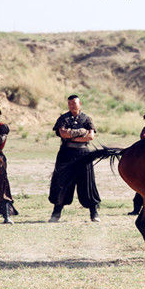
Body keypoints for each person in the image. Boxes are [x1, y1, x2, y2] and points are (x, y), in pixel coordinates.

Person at [49, 94, 101, 222]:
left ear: (80, 104)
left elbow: (90, 137)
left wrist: (73, 136)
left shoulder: (87, 119)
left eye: (75, 103)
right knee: (62, 183)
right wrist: (82, 131)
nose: (72, 105)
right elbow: (63, 133)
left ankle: (94, 213)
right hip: (66, 154)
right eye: (70, 103)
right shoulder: (63, 118)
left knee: (88, 183)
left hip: (83, 154)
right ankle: (56, 214)